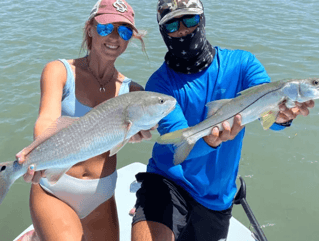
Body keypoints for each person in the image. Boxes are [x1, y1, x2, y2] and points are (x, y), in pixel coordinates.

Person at [131, 0, 315, 241]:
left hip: (216, 196)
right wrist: (210, 141)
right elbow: (178, 143)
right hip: (167, 181)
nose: (183, 30)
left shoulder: (243, 63)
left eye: (190, 19)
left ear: (203, 19)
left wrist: (283, 117)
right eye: (172, 25)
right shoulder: (159, 85)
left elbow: (269, 112)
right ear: (162, 31)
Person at [16, 0, 153, 240]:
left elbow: (143, 130)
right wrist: (35, 156)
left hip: (101, 195)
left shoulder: (133, 92)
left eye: (123, 31)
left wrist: (140, 133)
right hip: (55, 189)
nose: (114, 37)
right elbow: (46, 121)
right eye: (104, 27)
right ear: (90, 28)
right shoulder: (59, 71)